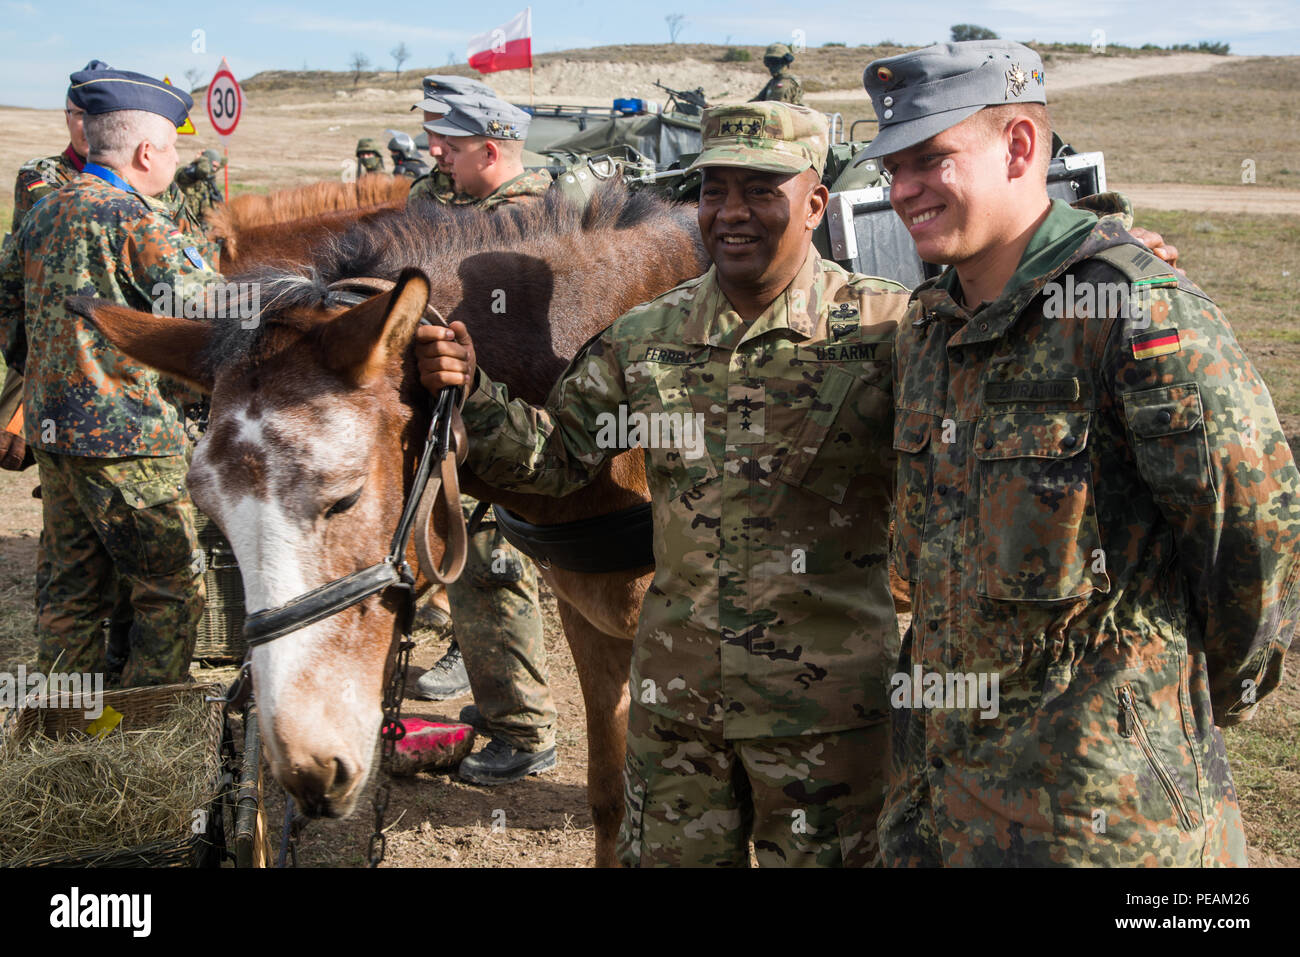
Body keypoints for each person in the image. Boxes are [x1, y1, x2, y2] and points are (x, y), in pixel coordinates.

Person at [416, 102, 912, 866]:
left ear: (816, 202)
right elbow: (555, 459)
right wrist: (474, 391)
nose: (732, 212)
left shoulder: (887, 330)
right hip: (681, 719)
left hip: (827, 723)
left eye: (761, 188)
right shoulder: (648, 336)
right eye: (716, 189)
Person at [861, 40, 1300, 866]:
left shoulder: (1132, 311)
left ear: (1020, 146)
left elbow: (1254, 536)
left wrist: (1190, 702)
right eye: (893, 168)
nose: (902, 190)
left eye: (930, 159)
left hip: (1102, 813)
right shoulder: (928, 324)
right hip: (940, 798)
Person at [0, 66, 222, 687]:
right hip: (132, 441)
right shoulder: (137, 221)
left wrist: (35, 366)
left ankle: (67, 733)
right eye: (173, 146)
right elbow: (211, 310)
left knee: (71, 591)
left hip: (54, 433)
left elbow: (6, 299)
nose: (177, 159)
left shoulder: (44, 212)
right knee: (169, 587)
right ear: (147, 151)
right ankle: (151, 736)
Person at [407, 92, 560, 786]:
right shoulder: (490, 215)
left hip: (503, 431)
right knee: (478, 573)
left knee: (495, 571)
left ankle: (524, 730)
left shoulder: (520, 223)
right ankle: (503, 705)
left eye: (452, 146)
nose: (436, 154)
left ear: (491, 153)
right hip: (478, 425)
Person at [422, 95, 552, 209]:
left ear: (489, 154)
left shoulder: (508, 220)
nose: (448, 159)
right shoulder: (504, 208)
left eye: (455, 150)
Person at [408, 75, 497, 207]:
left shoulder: (514, 197)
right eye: (429, 134)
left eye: (444, 135)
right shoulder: (424, 193)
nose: (433, 151)